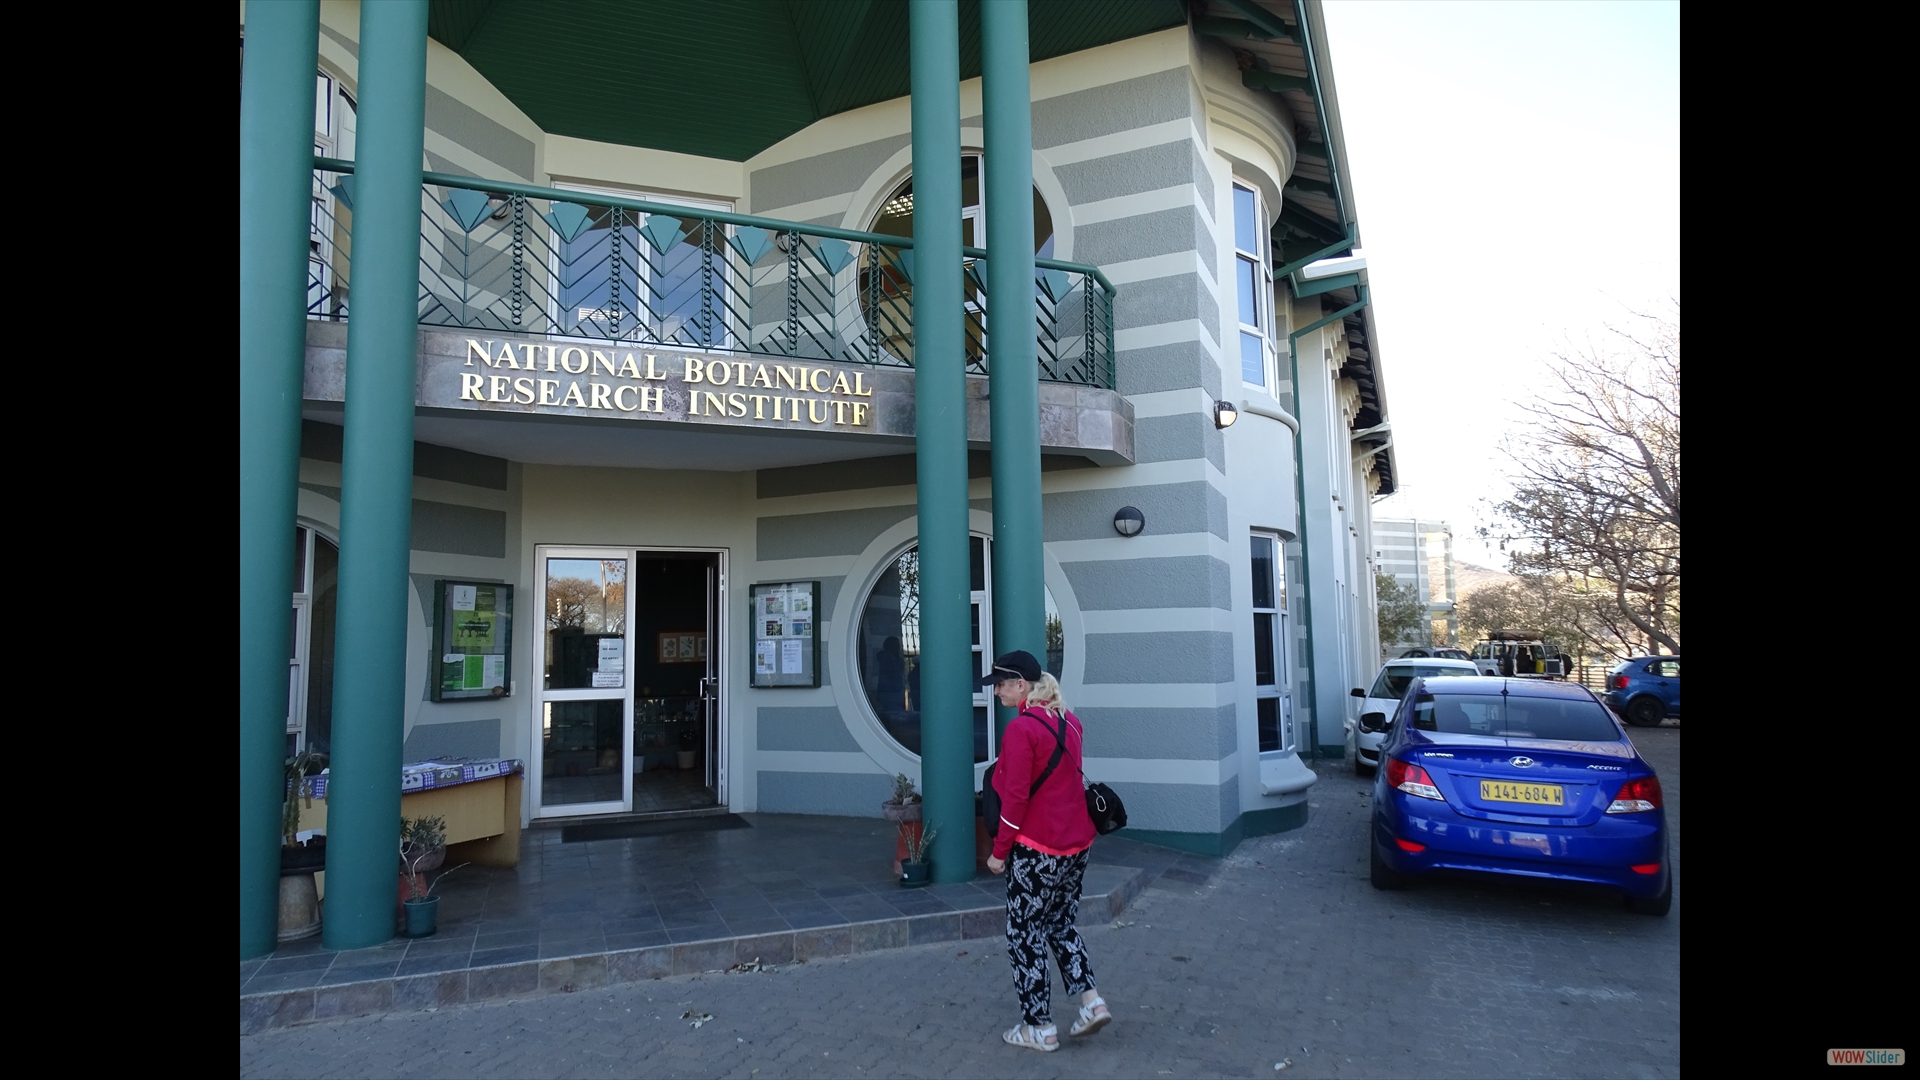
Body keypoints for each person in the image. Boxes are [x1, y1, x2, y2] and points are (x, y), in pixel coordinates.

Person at [981, 649, 1111, 1052]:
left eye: (1000, 684)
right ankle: (1092, 1002)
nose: (996, 691)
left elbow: (1016, 799)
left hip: (1038, 849)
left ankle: (1039, 1027)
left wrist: (1000, 852)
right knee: (1060, 924)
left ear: (1021, 685)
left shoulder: (1021, 730)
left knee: (1024, 933)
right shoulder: (1070, 722)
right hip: (1076, 845)